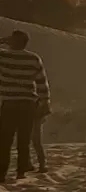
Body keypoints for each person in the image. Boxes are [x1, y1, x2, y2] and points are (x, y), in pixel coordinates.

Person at [0, 31, 51, 183]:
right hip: (28, 104)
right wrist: (45, 101)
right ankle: (21, 172)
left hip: (9, 103)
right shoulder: (34, 58)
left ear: (12, 41)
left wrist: (1, 40)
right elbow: (42, 82)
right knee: (24, 139)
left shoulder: (3, 57)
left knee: (4, 140)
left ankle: (1, 173)